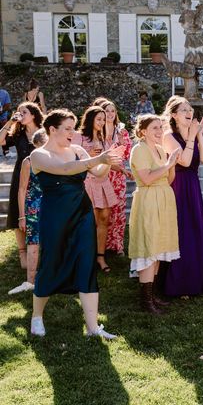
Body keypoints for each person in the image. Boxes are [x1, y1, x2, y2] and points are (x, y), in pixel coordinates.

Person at [29, 109, 124, 338]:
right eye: (68, 129)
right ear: (52, 129)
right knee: (52, 261)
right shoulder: (39, 155)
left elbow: (98, 173)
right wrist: (98, 158)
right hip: (55, 215)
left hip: (82, 213)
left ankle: (92, 327)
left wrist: (109, 160)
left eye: (73, 128)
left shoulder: (79, 150)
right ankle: (36, 317)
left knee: (86, 263)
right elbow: (65, 170)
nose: (72, 133)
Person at [162, 96, 203, 296]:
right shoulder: (168, 137)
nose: (189, 112)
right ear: (174, 116)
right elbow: (184, 162)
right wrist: (191, 137)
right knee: (181, 231)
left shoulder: (193, 133)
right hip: (178, 186)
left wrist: (199, 135)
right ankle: (179, 281)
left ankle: (198, 278)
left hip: (192, 186)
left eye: (190, 109)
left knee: (195, 229)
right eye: (184, 110)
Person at [129, 114, 180, 314]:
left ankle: (153, 296)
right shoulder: (139, 150)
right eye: (154, 128)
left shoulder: (160, 149)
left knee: (158, 247)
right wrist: (167, 165)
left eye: (161, 127)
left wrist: (172, 163)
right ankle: (145, 300)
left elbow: (168, 178)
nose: (159, 131)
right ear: (143, 131)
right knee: (149, 248)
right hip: (148, 201)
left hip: (164, 199)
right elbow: (147, 178)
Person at [73, 106, 117, 273]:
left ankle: (100, 256)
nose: (102, 122)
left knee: (104, 218)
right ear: (90, 119)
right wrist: (90, 153)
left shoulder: (105, 139)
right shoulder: (79, 137)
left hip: (103, 180)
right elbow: (73, 159)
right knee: (87, 220)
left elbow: (108, 161)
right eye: (99, 119)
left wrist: (120, 167)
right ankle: (85, 257)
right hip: (87, 181)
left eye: (103, 119)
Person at [0, 102, 43, 269]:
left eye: (23, 112)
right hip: (20, 174)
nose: (20, 115)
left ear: (33, 114)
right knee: (18, 211)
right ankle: (22, 254)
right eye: (19, 112)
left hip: (41, 175)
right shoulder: (18, 134)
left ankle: (40, 250)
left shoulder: (44, 132)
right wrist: (10, 121)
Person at [8, 128, 47, 295]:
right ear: (35, 144)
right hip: (33, 207)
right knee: (33, 243)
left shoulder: (56, 160)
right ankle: (30, 281)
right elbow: (22, 189)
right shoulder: (28, 162)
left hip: (53, 205)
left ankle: (53, 278)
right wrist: (22, 216)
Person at [101, 100, 133, 256]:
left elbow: (127, 155)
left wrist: (122, 140)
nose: (110, 114)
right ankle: (102, 244)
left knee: (118, 210)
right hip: (101, 175)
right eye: (107, 111)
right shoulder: (97, 131)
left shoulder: (122, 132)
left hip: (118, 176)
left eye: (112, 111)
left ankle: (117, 245)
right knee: (102, 210)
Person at [0, 87, 11, 156]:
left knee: (4, 134)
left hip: (2, 118)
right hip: (3, 118)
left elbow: (7, 105)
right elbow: (8, 105)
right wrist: (1, 112)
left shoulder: (4, 93)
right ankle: (6, 152)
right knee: (4, 134)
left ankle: (6, 152)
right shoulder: (4, 92)